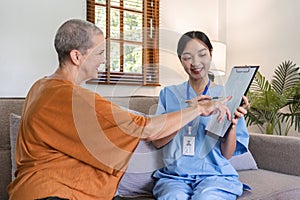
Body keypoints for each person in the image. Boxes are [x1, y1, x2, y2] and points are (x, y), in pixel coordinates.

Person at [6, 20, 232, 200]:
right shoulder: (72, 98)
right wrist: (199, 108)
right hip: (52, 193)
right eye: (99, 53)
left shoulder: (40, 86)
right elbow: (149, 129)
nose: (104, 61)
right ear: (77, 56)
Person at [151, 31, 250, 200]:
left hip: (215, 176)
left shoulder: (227, 95)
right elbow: (157, 140)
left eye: (202, 54)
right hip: (175, 177)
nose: (195, 63)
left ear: (211, 54)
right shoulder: (168, 94)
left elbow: (227, 154)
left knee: (207, 197)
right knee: (174, 197)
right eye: (188, 57)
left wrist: (232, 124)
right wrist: (190, 112)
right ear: (180, 59)